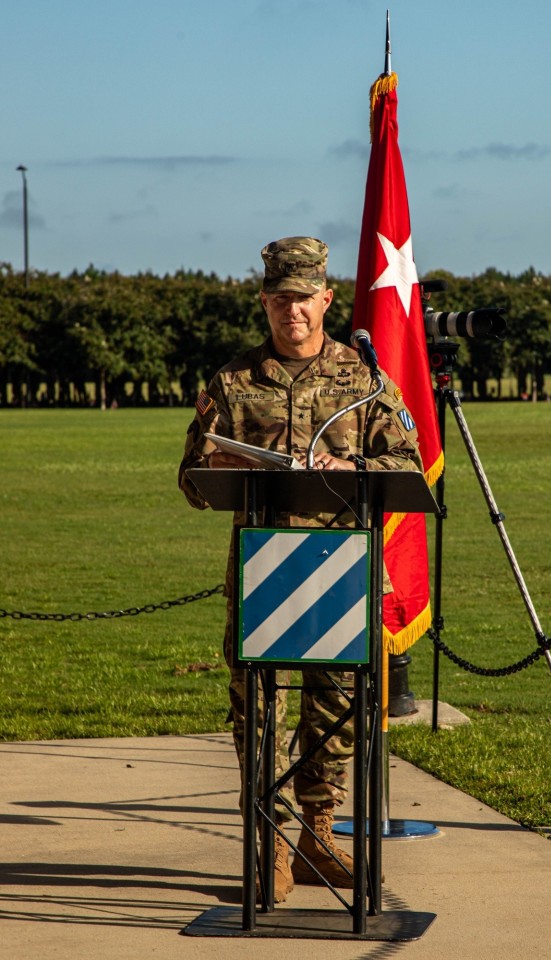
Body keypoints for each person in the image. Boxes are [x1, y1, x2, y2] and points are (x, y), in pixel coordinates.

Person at [179, 236, 423, 902]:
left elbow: (407, 464)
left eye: (304, 298)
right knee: (258, 711)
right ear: (264, 302)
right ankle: (271, 843)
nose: (293, 310)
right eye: (281, 298)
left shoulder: (364, 381)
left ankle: (318, 832)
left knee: (337, 706)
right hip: (264, 576)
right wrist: (220, 464)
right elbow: (191, 480)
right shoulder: (231, 383)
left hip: (340, 574)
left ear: (327, 299)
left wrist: (353, 466)